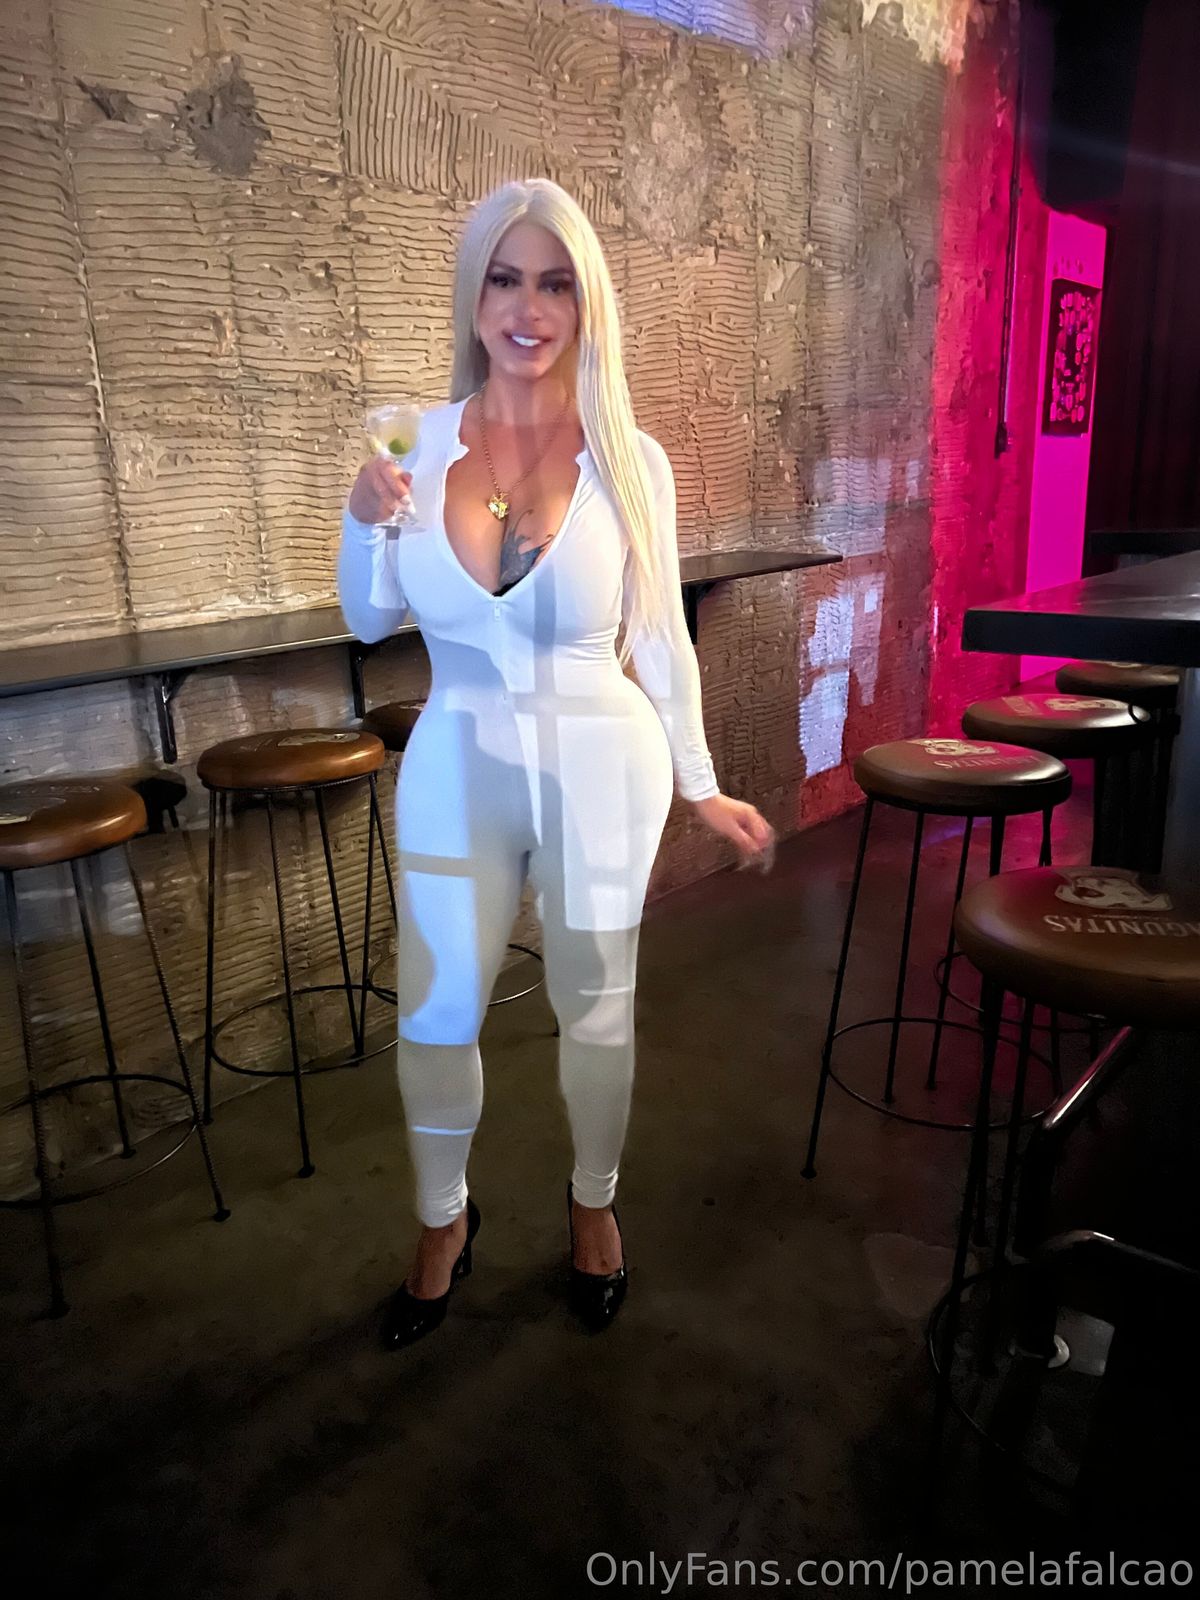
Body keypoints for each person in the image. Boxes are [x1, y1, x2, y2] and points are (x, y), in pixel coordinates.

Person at [338, 177, 774, 1349]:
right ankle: (444, 1220)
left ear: (586, 304)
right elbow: (369, 618)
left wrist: (700, 782)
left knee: (595, 1010)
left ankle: (593, 1205)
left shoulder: (632, 458)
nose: (526, 309)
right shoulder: (410, 442)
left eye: (554, 283)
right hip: (456, 760)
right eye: (503, 279)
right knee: (434, 1016)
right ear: (472, 294)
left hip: (601, 765)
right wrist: (362, 515)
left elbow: (660, 638)